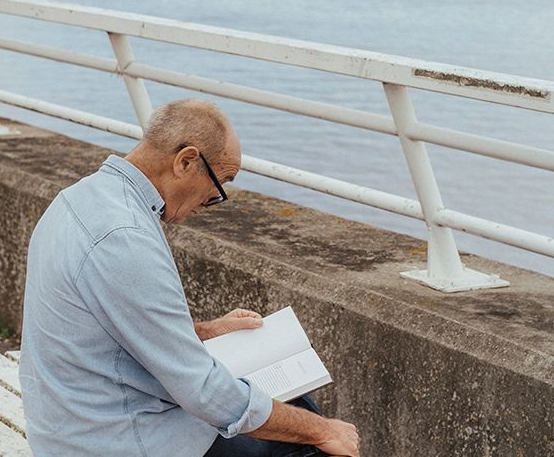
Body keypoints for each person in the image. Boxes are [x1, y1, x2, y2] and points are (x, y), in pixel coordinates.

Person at [19, 99, 360, 457]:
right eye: (221, 183)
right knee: (310, 439)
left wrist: (205, 331)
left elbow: (107, 330)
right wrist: (324, 431)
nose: (214, 199)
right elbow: (205, 392)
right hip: (115, 439)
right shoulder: (124, 237)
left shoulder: (77, 200)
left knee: (292, 405)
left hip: (72, 424)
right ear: (186, 161)